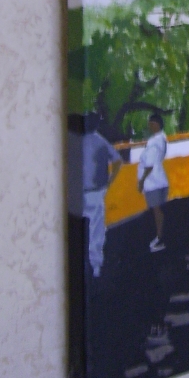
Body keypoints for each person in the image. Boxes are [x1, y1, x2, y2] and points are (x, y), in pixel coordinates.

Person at [67, 113, 122, 278]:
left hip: (78, 192)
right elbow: (118, 161)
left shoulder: (75, 141)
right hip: (97, 192)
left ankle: (77, 264)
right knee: (96, 230)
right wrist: (110, 181)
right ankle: (95, 265)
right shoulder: (100, 141)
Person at [137, 113, 169, 252]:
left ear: (156, 124)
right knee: (159, 211)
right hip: (160, 180)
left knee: (156, 212)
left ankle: (159, 239)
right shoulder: (162, 139)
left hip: (153, 182)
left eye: (151, 124)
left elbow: (149, 165)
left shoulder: (153, 142)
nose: (149, 126)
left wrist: (141, 181)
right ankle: (160, 238)